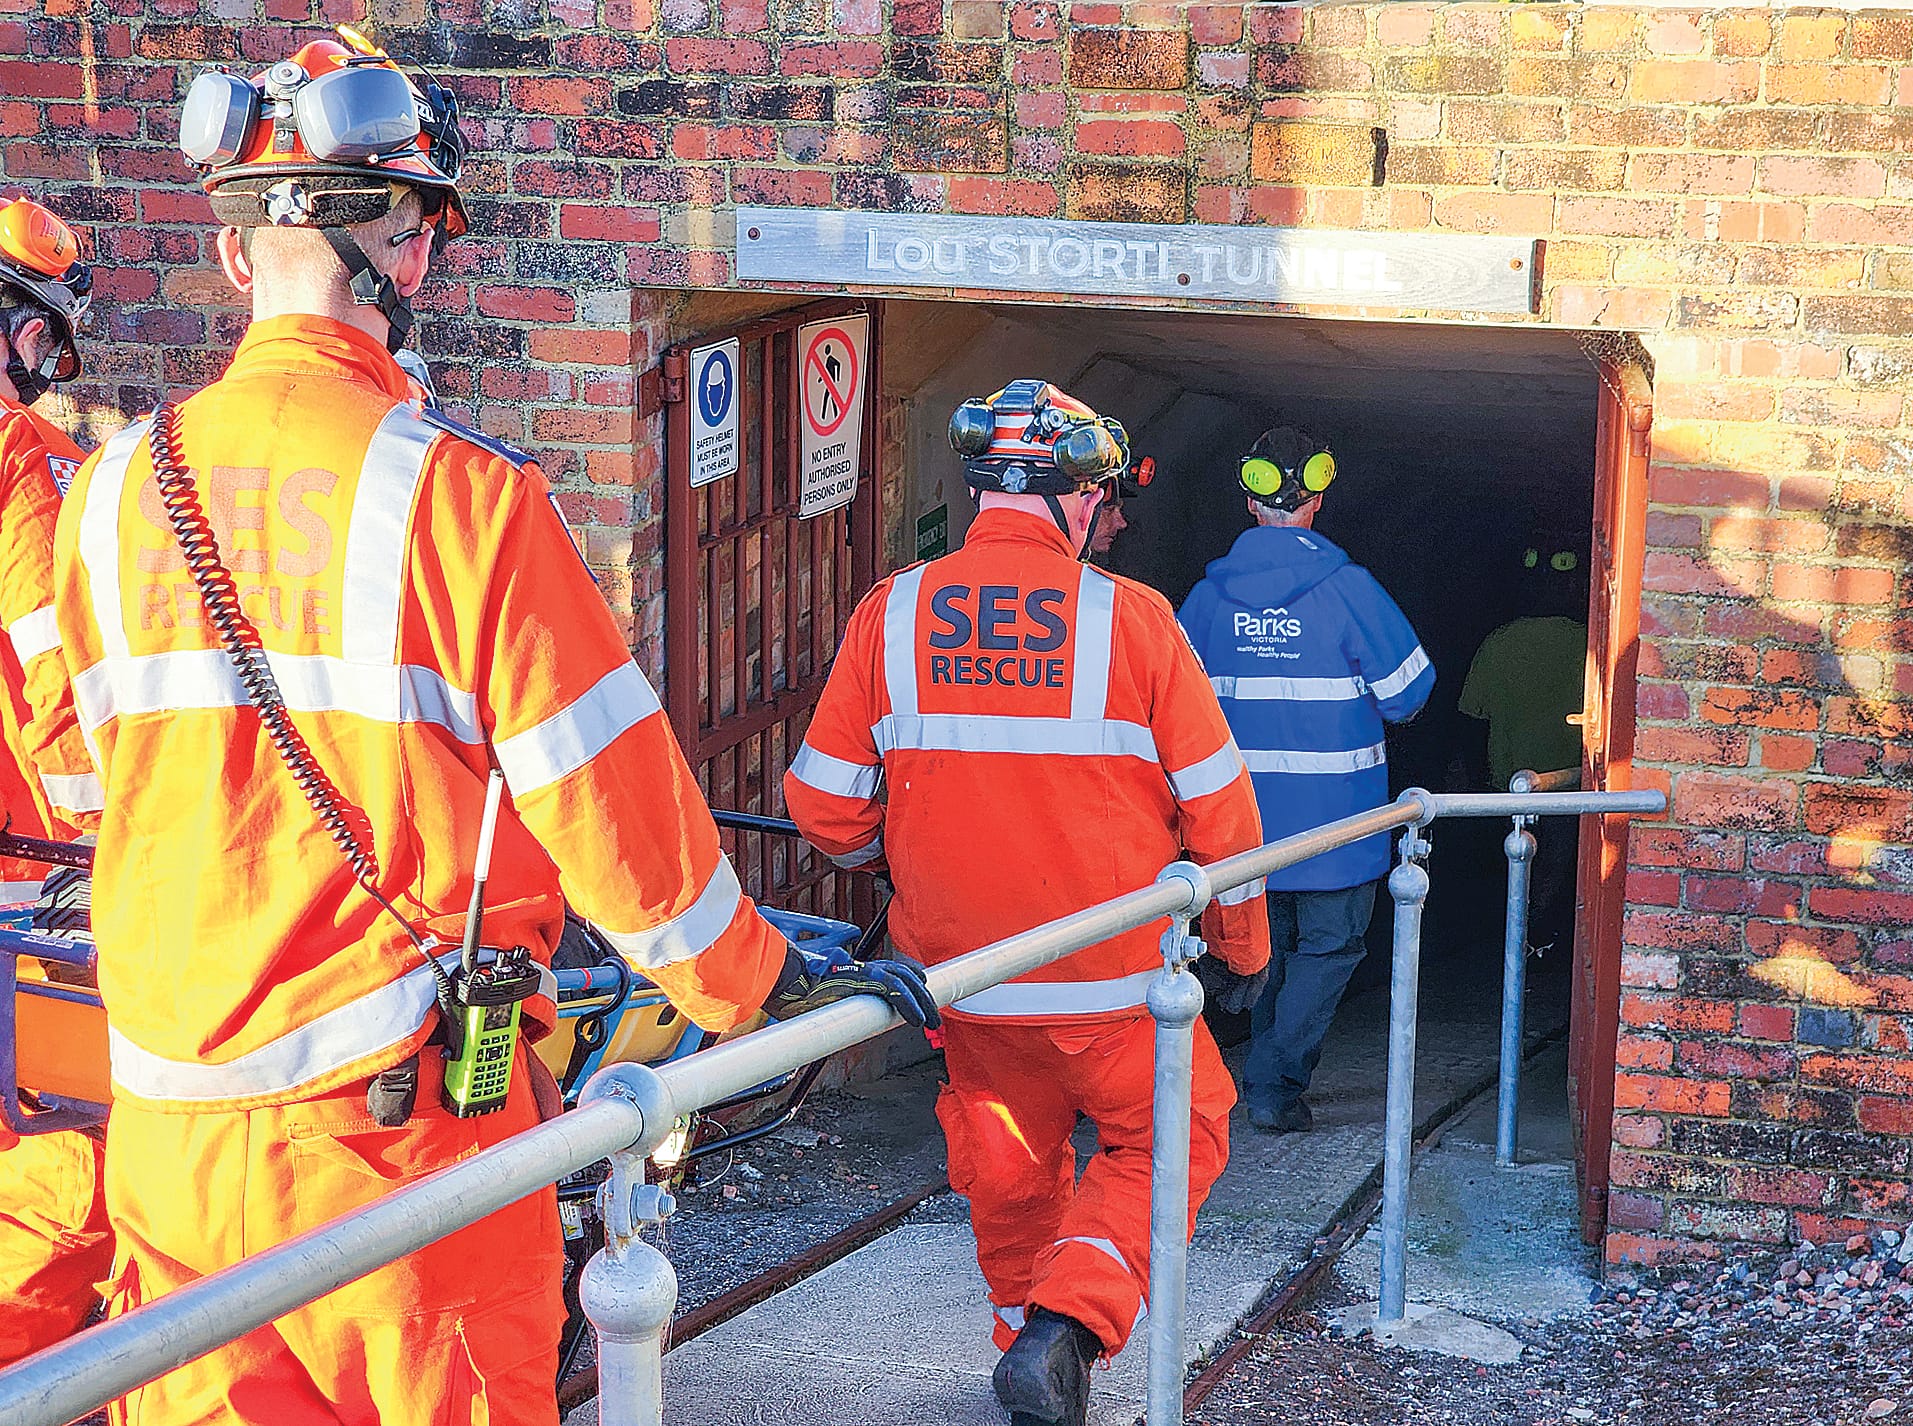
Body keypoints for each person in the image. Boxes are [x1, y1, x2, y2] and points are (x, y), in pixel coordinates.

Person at [44, 35, 932, 1425]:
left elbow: (89, 780)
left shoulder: (99, 505)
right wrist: (757, 989)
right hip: (403, 1163)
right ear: (409, 247)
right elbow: (619, 819)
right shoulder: (462, 500)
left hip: (171, 1159)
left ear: (233, 261)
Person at [785, 380, 1269, 1426]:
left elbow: (822, 805)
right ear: (1075, 499)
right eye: (1108, 499)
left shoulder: (891, 610)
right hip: (1112, 982)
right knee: (1180, 1130)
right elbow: (1220, 814)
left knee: (1008, 1177)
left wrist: (908, 860)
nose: (1118, 519)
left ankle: (1030, 1364)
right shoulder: (1132, 619)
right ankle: (1066, 1329)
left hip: (963, 983)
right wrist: (1239, 944)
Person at [1178, 426, 1434, 1135]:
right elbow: (1408, 693)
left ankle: (1261, 1071)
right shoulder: (1350, 590)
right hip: (1337, 826)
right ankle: (1272, 1084)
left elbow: (1165, 707)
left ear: (1250, 498)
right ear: (1318, 492)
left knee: (1263, 953)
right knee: (1325, 951)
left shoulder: (1202, 599)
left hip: (1238, 829)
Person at [0, 194, 113, 1366]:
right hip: (34, 897)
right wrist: (117, 855)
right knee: (66, 1182)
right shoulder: (26, 473)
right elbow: (60, 708)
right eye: (39, 338)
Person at [1459, 542, 1590, 948]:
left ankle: (1516, 947)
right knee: (1555, 870)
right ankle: (1538, 946)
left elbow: (1470, 722)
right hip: (1571, 787)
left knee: (1513, 870)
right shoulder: (1589, 644)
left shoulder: (1499, 642)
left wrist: (1470, 775)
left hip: (1507, 788)